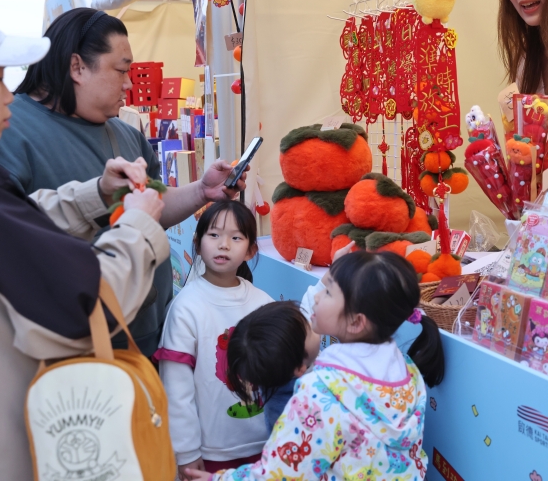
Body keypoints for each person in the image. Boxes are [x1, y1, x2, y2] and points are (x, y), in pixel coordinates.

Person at [0, 4, 169, 480]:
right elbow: (85, 302)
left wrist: (97, 193)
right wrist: (137, 227)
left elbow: (18, 220)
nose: (8, 94)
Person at [0, 7, 247, 357]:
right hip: (79, 346)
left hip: (152, 333)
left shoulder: (125, 133)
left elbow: (153, 206)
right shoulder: (7, 131)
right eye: (122, 70)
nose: (130, 84)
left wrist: (201, 191)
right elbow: (13, 241)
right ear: (77, 67)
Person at [186, 251, 445, 481]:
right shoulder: (407, 370)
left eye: (328, 292)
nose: (318, 296)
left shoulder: (320, 392)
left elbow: (282, 472)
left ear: (356, 322)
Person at [153, 200, 274, 480]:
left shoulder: (263, 303)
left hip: (266, 444)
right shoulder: (186, 307)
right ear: (197, 244)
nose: (224, 245)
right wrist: (186, 451)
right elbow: (176, 388)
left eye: (236, 237)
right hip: (209, 451)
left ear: (251, 250)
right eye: (214, 235)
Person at [225, 301, 321, 432]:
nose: (311, 323)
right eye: (309, 331)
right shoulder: (303, 408)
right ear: (299, 368)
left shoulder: (274, 376)